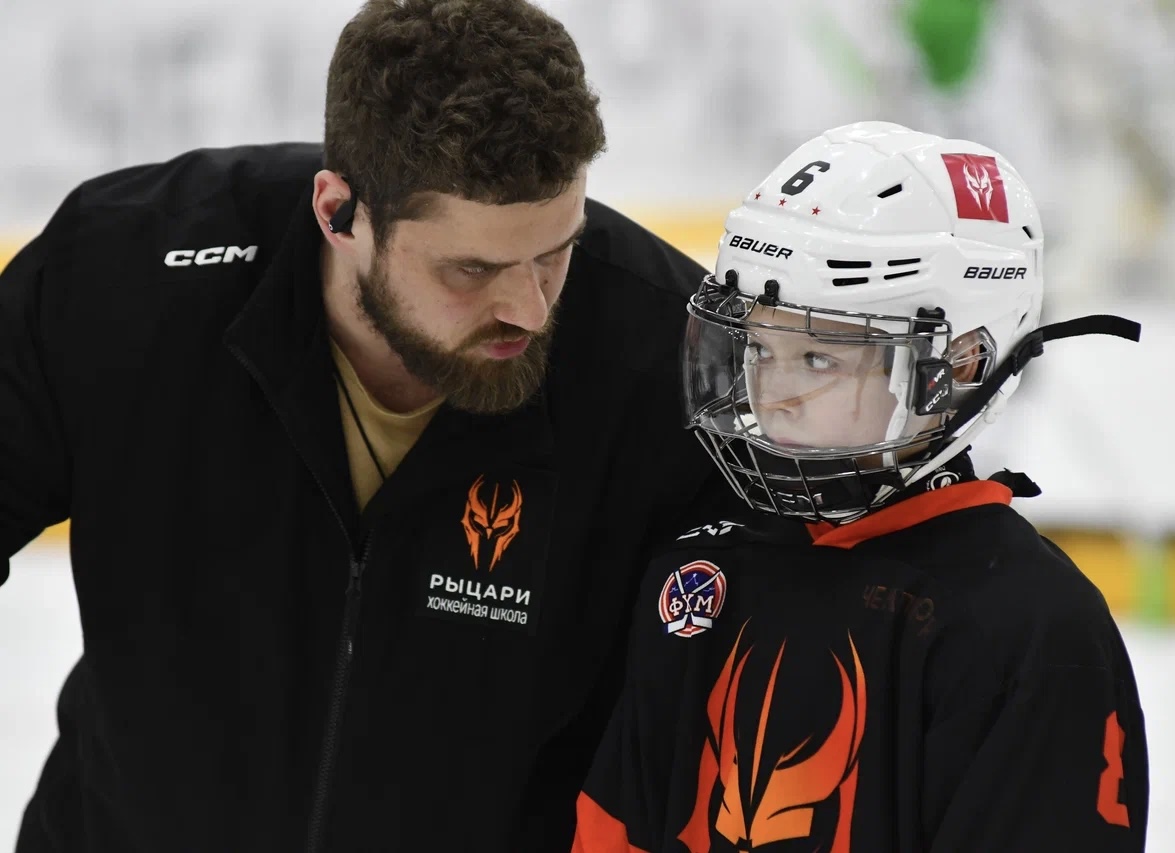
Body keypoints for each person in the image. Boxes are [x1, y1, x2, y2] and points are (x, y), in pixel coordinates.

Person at [0, 1, 742, 850]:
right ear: (338, 213)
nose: (529, 309)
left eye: (555, 252)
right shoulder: (126, 275)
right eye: (473, 268)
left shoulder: (664, 358)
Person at [572, 121, 1149, 852]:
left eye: (817, 357)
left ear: (962, 362)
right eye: (758, 346)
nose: (772, 393)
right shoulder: (698, 578)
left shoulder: (1030, 628)